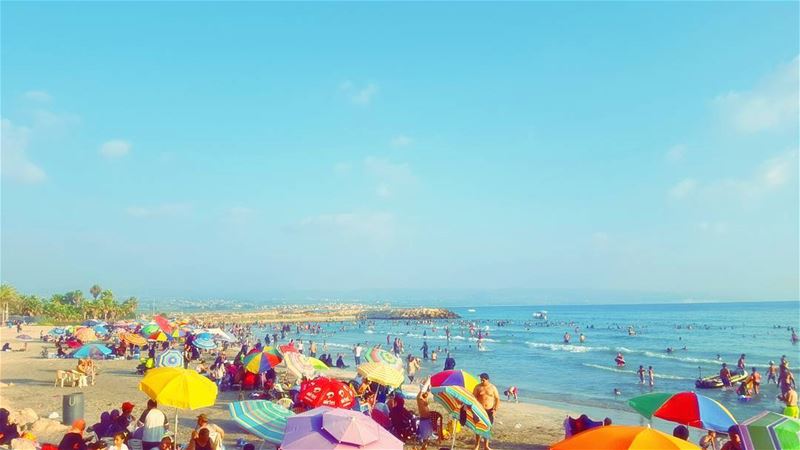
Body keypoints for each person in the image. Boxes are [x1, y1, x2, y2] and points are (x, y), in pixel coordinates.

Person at [473, 373, 499, 450]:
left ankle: (486, 446)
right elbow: (473, 398)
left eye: (483, 380)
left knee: (488, 428)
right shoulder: (478, 387)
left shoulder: (493, 388)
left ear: (488, 379)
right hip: (480, 410)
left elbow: (497, 399)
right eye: (481, 379)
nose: (481, 381)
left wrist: (495, 409)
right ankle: (477, 445)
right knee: (478, 427)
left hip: (489, 410)